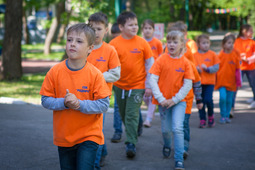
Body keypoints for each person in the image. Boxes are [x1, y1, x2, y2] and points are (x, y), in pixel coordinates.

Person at [39, 23, 111, 170]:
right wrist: (64, 103)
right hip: (64, 137)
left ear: (90, 48)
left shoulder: (96, 74)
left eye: (79, 41)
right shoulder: (55, 71)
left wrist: (79, 104)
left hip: (89, 136)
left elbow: (104, 104)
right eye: (69, 40)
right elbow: (45, 100)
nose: (72, 44)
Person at [109, 11, 154, 158]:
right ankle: (138, 124)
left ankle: (131, 143)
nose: (135, 27)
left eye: (136, 24)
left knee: (130, 115)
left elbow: (150, 65)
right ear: (121, 27)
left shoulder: (142, 43)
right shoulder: (114, 44)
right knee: (123, 114)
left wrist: (148, 85)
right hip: (119, 86)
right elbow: (109, 65)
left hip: (138, 86)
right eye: (131, 25)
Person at [150, 30, 194, 170]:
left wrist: (174, 100)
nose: (172, 45)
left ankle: (179, 159)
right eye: (169, 42)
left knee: (177, 128)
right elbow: (152, 79)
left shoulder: (186, 63)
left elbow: (188, 84)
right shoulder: (161, 59)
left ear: (182, 44)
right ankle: (167, 144)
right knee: (166, 130)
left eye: (175, 42)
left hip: (179, 102)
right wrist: (161, 98)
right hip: (163, 102)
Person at [87, 12, 121, 169]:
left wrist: (97, 76)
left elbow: (115, 74)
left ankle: (94, 165)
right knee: (92, 131)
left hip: (101, 97)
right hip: (84, 96)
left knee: (96, 132)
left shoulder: (110, 50)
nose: (95, 32)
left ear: (106, 30)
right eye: (92, 28)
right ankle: (103, 152)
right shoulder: (84, 48)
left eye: (99, 29)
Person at [215, 33, 241, 124]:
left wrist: (239, 82)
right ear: (224, 44)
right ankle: (222, 115)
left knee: (229, 100)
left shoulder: (235, 55)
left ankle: (226, 115)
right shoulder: (220, 55)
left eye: (232, 43)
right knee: (223, 98)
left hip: (232, 82)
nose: (231, 45)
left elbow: (238, 70)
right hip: (221, 82)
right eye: (229, 43)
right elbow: (216, 68)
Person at [194, 34, 219, 128]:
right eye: (203, 43)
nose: (206, 45)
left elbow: (216, 67)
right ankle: (202, 119)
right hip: (198, 83)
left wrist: (208, 69)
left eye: (207, 43)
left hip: (209, 82)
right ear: (198, 44)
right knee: (200, 101)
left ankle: (210, 115)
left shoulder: (212, 54)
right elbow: (192, 66)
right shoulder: (194, 55)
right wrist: (196, 69)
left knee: (208, 100)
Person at [141, 19, 163, 128]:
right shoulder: (141, 42)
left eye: (150, 28)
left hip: (155, 73)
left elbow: (161, 56)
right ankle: (151, 109)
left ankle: (148, 119)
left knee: (152, 96)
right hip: (143, 71)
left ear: (153, 30)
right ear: (142, 30)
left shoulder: (157, 42)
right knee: (146, 96)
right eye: (146, 28)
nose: (148, 30)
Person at [233, 24, 255, 109]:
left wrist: (248, 59)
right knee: (235, 85)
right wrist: (240, 57)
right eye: (250, 30)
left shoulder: (252, 42)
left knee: (253, 84)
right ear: (244, 32)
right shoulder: (236, 41)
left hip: (251, 67)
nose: (252, 32)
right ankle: (231, 104)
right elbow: (233, 53)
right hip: (239, 68)